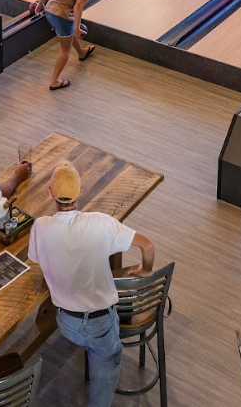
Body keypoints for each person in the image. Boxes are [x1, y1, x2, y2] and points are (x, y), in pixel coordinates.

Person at [28, 161, 155, 407]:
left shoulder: (40, 227)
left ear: (49, 192)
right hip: (101, 325)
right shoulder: (101, 223)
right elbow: (148, 245)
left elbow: (39, 261)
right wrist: (145, 269)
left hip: (66, 323)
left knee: (91, 343)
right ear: (81, 190)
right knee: (103, 380)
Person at [28, 0, 101, 91]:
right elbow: (78, 5)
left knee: (67, 34)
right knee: (65, 49)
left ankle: (81, 52)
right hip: (62, 16)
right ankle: (54, 80)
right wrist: (78, 27)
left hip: (50, 10)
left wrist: (40, 2)